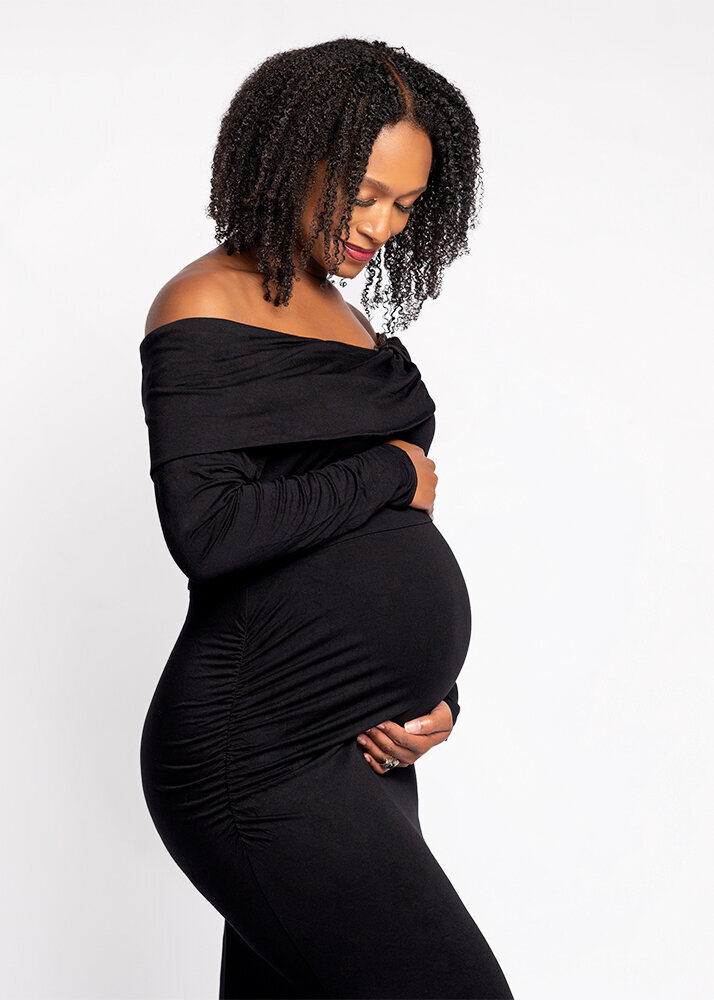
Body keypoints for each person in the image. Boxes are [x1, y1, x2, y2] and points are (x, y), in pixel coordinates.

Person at [139, 36, 513, 999]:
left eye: (406, 203)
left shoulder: (342, 316)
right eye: (364, 192)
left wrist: (437, 697)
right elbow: (209, 531)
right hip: (258, 751)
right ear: (293, 153)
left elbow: (374, 555)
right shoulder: (203, 302)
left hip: (364, 754)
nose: (383, 224)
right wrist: (390, 470)